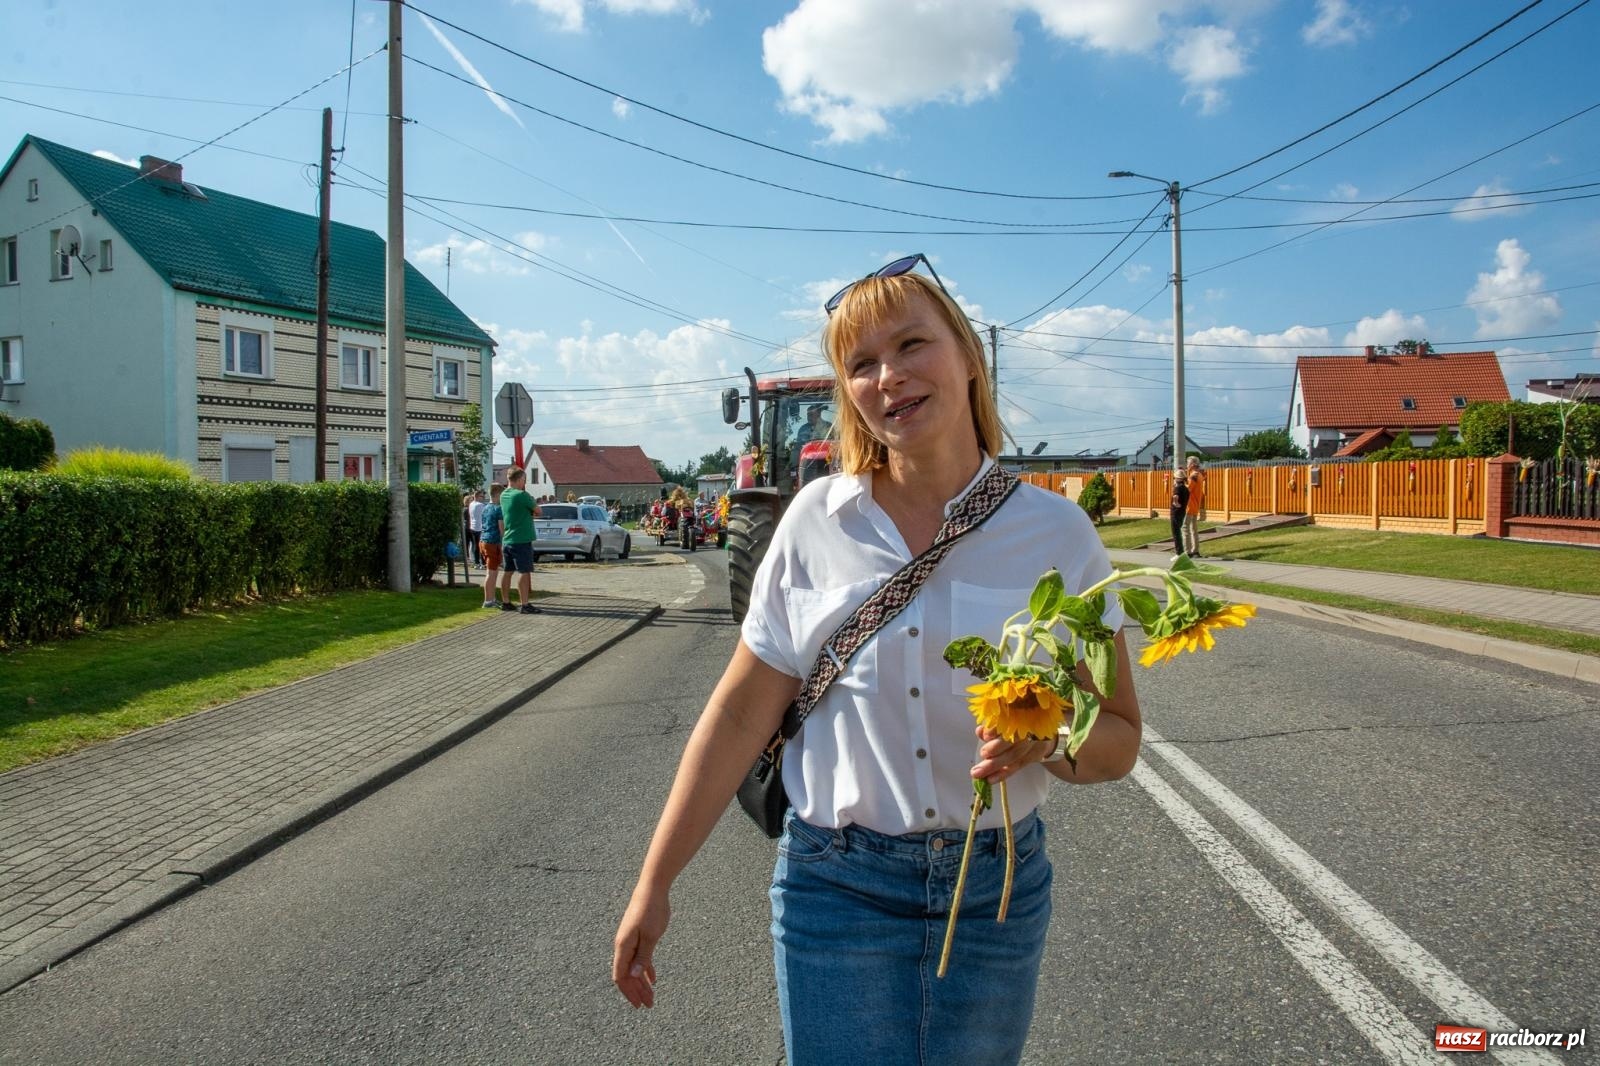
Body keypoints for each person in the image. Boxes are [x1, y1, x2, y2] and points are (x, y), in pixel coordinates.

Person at [612, 256, 1141, 1065]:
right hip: (836, 888)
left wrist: (1053, 738)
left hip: (993, 892)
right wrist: (655, 882)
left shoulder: (1057, 534)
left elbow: (1120, 738)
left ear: (968, 355)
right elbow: (740, 714)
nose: (888, 376)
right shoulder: (813, 522)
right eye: (861, 363)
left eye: (911, 345)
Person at [498, 468, 540, 615]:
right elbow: (538, 511)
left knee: (507, 571)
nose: (524, 483)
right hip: (522, 538)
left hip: (508, 538)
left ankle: (506, 602)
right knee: (524, 571)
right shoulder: (522, 495)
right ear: (519, 479)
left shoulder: (504, 494)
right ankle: (525, 604)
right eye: (524, 480)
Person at [479, 484, 505, 609]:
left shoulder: (485, 508)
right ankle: (488, 600)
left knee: (493, 571)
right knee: (491, 572)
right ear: (498, 494)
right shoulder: (498, 509)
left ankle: (492, 598)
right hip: (493, 542)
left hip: (483, 540)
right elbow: (501, 529)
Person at [1183, 457, 1207, 558]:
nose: (1187, 465)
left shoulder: (1193, 475)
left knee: (1185, 528)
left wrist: (1181, 483)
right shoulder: (1199, 474)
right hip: (1195, 505)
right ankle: (1195, 550)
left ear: (1192, 464)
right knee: (1193, 528)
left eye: (1188, 463)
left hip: (1189, 505)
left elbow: (1188, 489)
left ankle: (1187, 552)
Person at [1169, 464, 1190, 557]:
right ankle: (1180, 552)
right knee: (1179, 532)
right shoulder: (1186, 488)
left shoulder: (1177, 488)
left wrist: (1176, 503)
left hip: (1176, 512)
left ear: (1177, 478)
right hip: (1182, 511)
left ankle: (1179, 553)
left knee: (1176, 533)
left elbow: (1175, 496)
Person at [467, 490, 486, 567]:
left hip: (473, 527)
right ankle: (483, 563)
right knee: (482, 546)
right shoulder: (480, 505)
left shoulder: (471, 504)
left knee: (475, 545)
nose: (483, 498)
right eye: (482, 496)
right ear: (477, 496)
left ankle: (477, 562)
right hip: (480, 528)